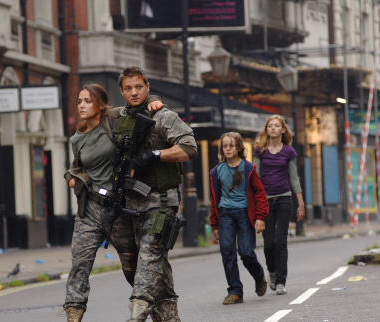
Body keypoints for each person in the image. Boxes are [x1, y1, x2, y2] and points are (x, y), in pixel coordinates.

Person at [62, 83, 163, 321]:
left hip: (119, 206)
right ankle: (73, 313)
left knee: (132, 267)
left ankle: (157, 308)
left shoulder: (113, 119)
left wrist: (156, 101)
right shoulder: (78, 137)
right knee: (80, 263)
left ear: (100, 103)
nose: (82, 106)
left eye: (87, 101)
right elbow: (76, 166)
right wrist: (73, 178)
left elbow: (137, 102)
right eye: (79, 101)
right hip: (91, 207)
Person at [112, 66, 197, 321]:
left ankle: (137, 313)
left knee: (149, 257)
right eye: (128, 88)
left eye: (139, 87)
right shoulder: (117, 117)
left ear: (148, 87)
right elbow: (97, 111)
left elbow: (189, 147)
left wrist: (155, 155)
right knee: (133, 264)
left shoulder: (163, 116)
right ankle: (168, 316)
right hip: (128, 203)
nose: (134, 92)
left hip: (160, 200)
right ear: (122, 91)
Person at [209, 132, 269, 305]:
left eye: (231, 145)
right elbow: (214, 199)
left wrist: (260, 217)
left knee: (246, 252)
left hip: (244, 213)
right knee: (227, 251)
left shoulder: (249, 168)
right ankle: (235, 291)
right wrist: (214, 224)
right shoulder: (216, 171)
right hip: (225, 214)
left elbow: (259, 193)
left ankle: (259, 277)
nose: (227, 149)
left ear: (239, 148)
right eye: (225, 146)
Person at [253, 114, 305, 295]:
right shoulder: (260, 151)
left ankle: (281, 281)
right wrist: (254, 204)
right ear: (266, 130)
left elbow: (294, 178)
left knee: (280, 241)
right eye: (270, 126)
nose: (273, 128)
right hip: (265, 201)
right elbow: (255, 178)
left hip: (284, 199)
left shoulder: (289, 152)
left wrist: (300, 203)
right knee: (268, 244)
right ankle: (272, 272)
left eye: (277, 126)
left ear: (283, 130)